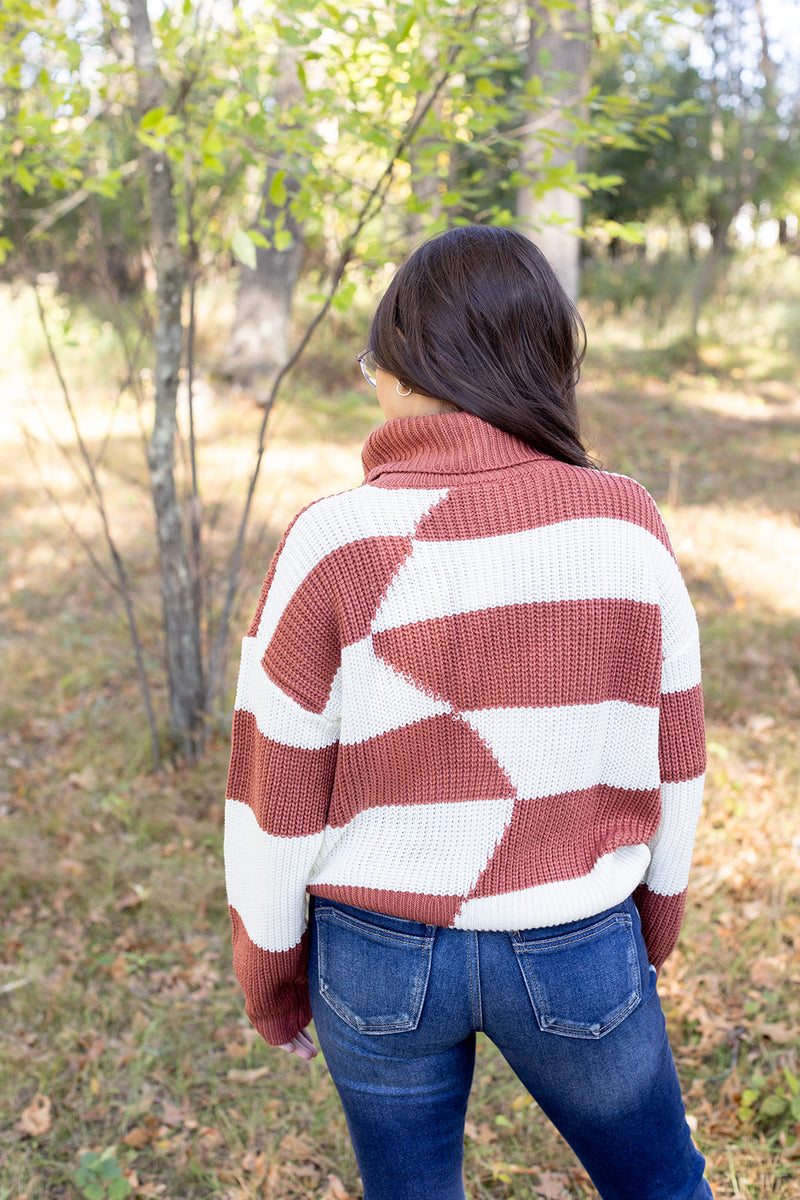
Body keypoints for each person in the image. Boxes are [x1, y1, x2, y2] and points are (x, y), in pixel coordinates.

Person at [224, 224, 711, 1200]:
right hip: (576, 942)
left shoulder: (330, 542)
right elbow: (676, 758)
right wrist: (649, 925)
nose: (372, 383)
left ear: (412, 365)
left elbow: (272, 791)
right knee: (662, 1190)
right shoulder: (623, 522)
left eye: (379, 359)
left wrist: (269, 971)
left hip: (373, 959)